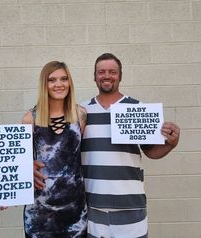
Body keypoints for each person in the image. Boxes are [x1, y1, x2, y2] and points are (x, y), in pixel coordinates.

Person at [80, 53, 180, 238]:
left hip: (130, 206)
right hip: (93, 207)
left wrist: (171, 143)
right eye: (101, 72)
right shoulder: (81, 111)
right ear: (94, 77)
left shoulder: (136, 108)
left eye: (112, 72)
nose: (107, 76)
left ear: (120, 76)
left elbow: (151, 152)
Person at [22, 61, 87, 238]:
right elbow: (20, 163)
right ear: (44, 85)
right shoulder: (30, 119)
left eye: (64, 79)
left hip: (75, 212)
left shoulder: (80, 115)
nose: (59, 84)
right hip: (39, 213)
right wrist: (4, 193)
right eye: (52, 80)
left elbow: (83, 157)